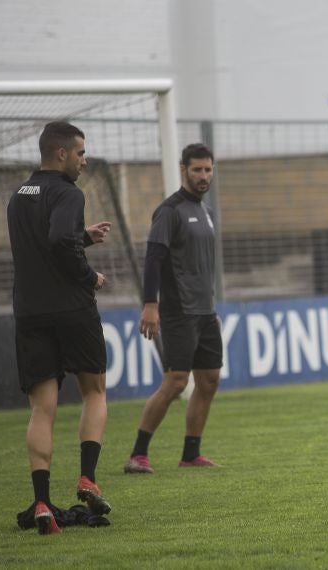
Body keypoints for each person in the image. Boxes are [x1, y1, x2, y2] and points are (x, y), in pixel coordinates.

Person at [7, 121, 113, 534]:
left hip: (30, 311)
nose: (84, 161)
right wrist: (90, 277)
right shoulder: (68, 192)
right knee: (95, 391)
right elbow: (56, 242)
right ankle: (87, 477)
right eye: (81, 153)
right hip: (71, 308)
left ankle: (41, 502)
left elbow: (42, 245)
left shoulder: (18, 196)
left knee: (41, 408)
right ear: (62, 154)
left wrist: (79, 237)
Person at [123, 143, 222, 474]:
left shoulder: (207, 211)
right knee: (176, 381)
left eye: (208, 169)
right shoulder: (170, 210)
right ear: (184, 170)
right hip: (179, 310)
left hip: (206, 311)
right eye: (197, 169)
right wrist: (150, 304)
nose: (203, 175)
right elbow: (153, 258)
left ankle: (191, 454)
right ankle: (138, 454)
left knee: (208, 380)